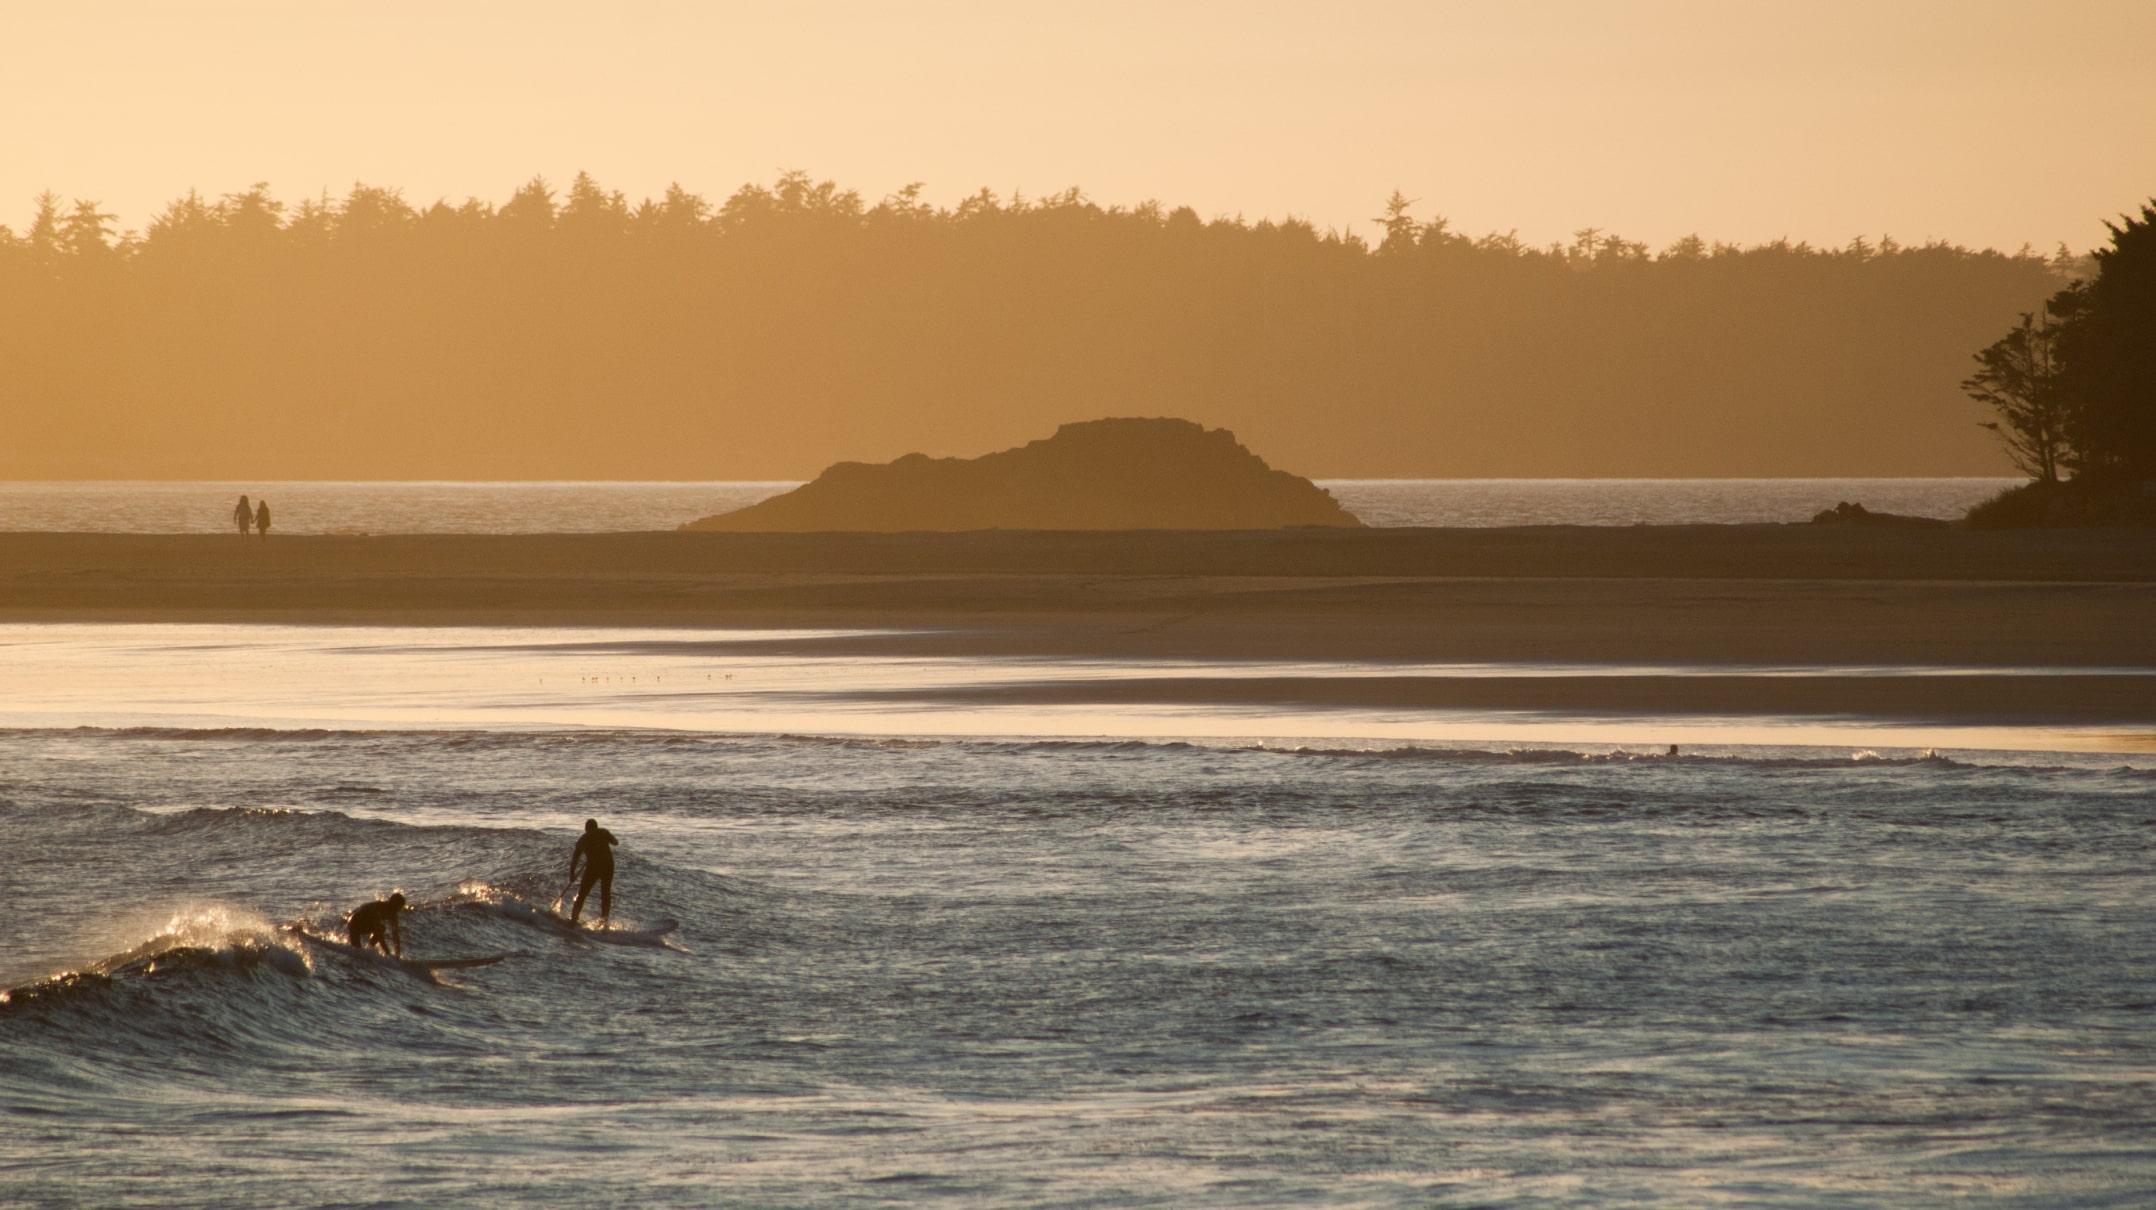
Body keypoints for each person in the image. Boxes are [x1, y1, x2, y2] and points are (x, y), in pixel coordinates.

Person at [568, 818, 619, 927]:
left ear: (586, 829)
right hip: (605, 865)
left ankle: (574, 918)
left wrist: (572, 874)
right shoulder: (602, 832)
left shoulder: (582, 840)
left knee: (584, 893)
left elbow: (574, 859)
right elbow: (615, 843)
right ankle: (603, 919)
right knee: (604, 893)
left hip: (599, 867)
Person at [347, 892, 406, 956]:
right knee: (357, 952)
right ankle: (366, 951)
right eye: (400, 907)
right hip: (354, 923)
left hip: (366, 923)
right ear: (394, 905)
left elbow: (395, 934)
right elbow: (378, 932)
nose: (400, 910)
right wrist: (388, 953)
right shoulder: (379, 909)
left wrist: (397, 954)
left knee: (382, 928)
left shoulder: (393, 913)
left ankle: (369, 948)